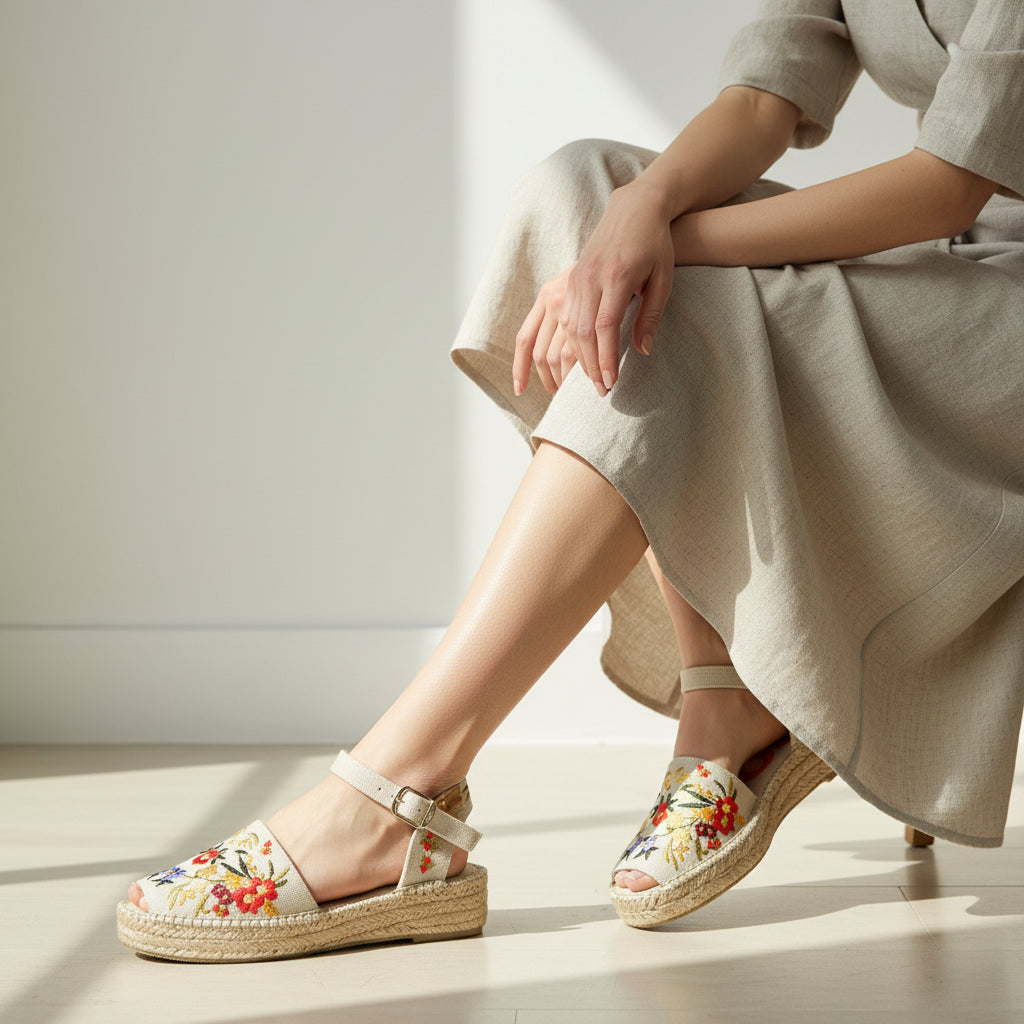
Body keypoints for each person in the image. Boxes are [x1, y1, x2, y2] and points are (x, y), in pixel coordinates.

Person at [117, 0, 1023, 961]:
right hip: (947, 264)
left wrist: (655, 254)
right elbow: (765, 95)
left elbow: (948, 186)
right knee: (585, 184)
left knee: (671, 288)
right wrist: (633, 216)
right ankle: (725, 699)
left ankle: (398, 790)